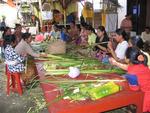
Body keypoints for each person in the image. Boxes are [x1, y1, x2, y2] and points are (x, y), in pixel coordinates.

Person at [109, 47, 150, 112]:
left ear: (127, 59)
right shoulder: (142, 64)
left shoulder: (131, 74)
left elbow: (135, 89)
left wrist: (125, 81)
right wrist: (115, 63)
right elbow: (128, 67)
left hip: (147, 97)